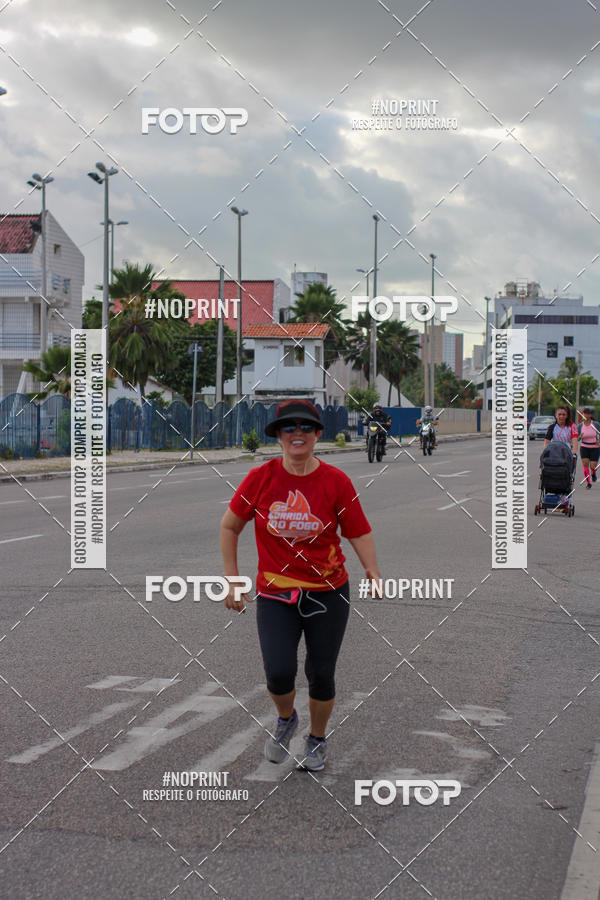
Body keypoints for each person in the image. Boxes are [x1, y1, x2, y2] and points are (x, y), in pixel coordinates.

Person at [220, 399, 381, 772]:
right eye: (289, 428)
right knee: (278, 671)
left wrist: (371, 569)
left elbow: (357, 531)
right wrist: (232, 580)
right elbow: (230, 526)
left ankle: (317, 738)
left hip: (328, 592)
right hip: (276, 593)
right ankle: (286, 719)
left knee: (321, 673)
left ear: (318, 434)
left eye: (306, 427)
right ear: (277, 436)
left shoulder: (336, 481)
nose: (298, 434)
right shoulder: (261, 478)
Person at [544, 405, 578, 500]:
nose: (561, 416)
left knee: (567, 476)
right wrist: (546, 453)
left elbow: (575, 441)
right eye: (559, 414)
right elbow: (546, 442)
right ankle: (550, 494)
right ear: (556, 415)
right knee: (550, 473)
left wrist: (573, 453)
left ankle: (566, 497)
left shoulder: (572, 426)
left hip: (567, 454)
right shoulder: (552, 427)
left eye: (564, 414)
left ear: (567, 416)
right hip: (554, 454)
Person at [578, 406, 600, 489]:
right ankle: (588, 483)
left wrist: (598, 440)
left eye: (588, 414)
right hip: (584, 447)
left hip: (595, 447)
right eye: (585, 414)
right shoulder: (580, 425)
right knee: (585, 464)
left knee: (593, 466)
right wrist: (580, 436)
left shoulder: (596, 424)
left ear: (590, 415)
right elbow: (577, 438)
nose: (586, 415)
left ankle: (593, 474)